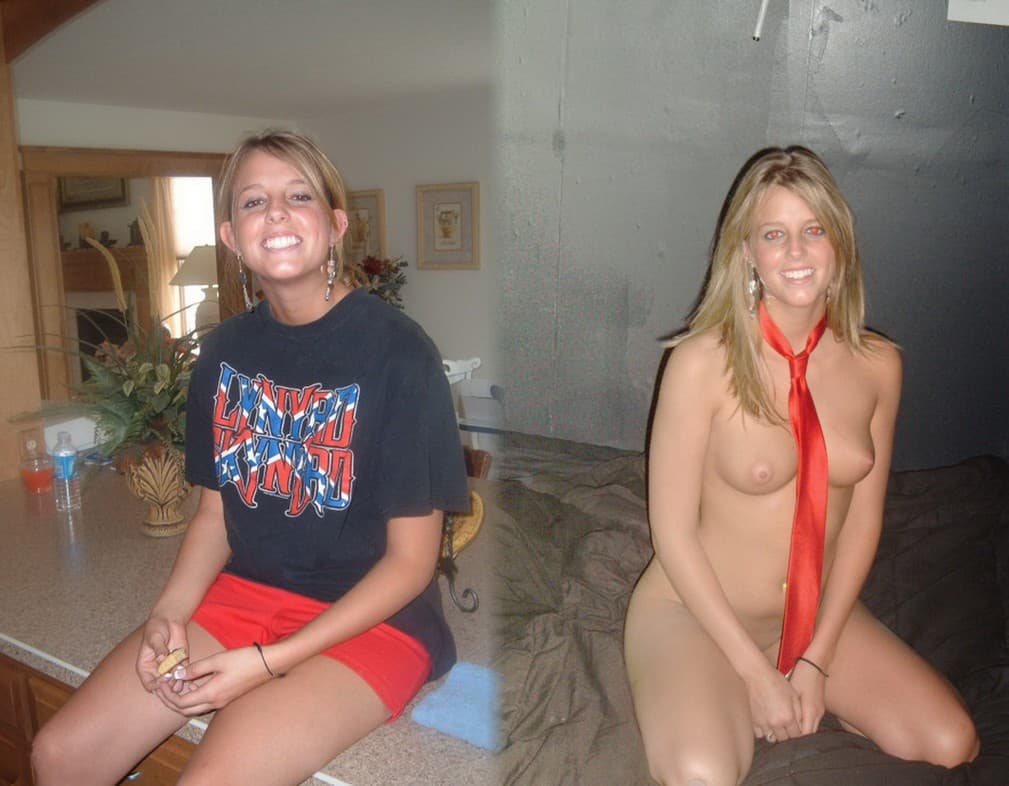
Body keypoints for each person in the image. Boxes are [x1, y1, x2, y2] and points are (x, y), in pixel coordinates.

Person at [31, 130, 470, 785]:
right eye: (254, 201)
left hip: (376, 618)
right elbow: (215, 515)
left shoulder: (400, 354)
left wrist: (268, 662)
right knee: (60, 754)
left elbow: (411, 564)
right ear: (231, 237)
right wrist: (167, 614)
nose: (277, 213)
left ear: (336, 225)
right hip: (246, 594)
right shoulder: (223, 351)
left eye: (299, 196)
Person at [623, 146, 979, 786]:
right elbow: (671, 533)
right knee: (703, 774)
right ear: (747, 253)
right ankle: (720, 692)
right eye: (773, 234)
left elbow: (862, 523)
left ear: (839, 246)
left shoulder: (879, 366)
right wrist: (756, 674)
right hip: (696, 616)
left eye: (813, 230)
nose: (795, 251)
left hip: (811, 621)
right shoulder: (700, 363)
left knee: (952, 743)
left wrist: (815, 660)